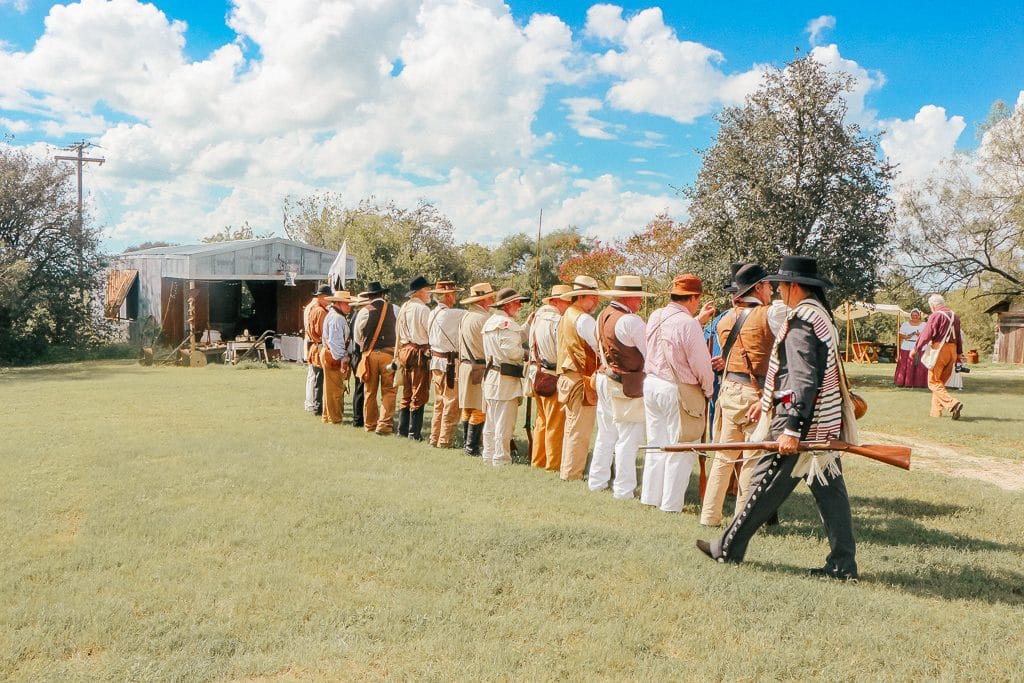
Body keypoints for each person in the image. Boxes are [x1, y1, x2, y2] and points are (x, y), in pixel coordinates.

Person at [697, 255, 860, 582]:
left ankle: (727, 548)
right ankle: (842, 566)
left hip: (802, 425)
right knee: (831, 496)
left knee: (762, 483)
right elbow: (795, 381)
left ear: (795, 286)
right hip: (820, 422)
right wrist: (770, 399)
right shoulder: (819, 315)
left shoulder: (801, 320)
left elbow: (801, 381)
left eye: (782, 284)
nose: (778, 290)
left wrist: (790, 428)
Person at [700, 263, 786, 527]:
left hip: (729, 392)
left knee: (724, 458)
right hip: (754, 395)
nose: (771, 289)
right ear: (757, 288)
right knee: (751, 459)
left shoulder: (725, 318)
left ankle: (709, 516)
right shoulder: (770, 314)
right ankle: (742, 520)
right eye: (768, 285)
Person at [642, 274, 716, 513]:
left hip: (651, 383)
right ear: (693, 298)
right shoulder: (688, 324)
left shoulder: (656, 315)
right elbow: (701, 365)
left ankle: (650, 497)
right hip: (676, 390)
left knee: (656, 444)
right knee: (681, 447)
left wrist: (697, 321)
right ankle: (671, 505)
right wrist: (708, 390)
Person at [589, 275, 656, 499]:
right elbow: (652, 355)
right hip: (624, 384)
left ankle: (597, 481)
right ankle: (623, 490)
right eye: (637, 297)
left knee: (606, 434)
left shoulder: (602, 315)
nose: (639, 301)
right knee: (629, 437)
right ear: (629, 297)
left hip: (605, 378)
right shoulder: (631, 321)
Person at [555, 275, 602, 482]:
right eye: (593, 297)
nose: (596, 302)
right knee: (580, 431)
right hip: (579, 379)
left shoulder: (567, 315)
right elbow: (599, 347)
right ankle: (572, 474)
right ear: (582, 296)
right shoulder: (583, 319)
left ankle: (568, 471)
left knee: (572, 428)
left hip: (567, 377)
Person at [481, 288, 530, 466]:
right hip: (505, 379)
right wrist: (526, 354)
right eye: (517, 303)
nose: (519, 306)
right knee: (504, 421)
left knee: (492, 421)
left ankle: (489, 454)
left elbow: (511, 338)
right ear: (507, 305)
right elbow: (512, 351)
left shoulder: (492, 322)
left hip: (492, 377)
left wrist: (526, 326)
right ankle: (501, 459)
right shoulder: (506, 324)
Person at [527, 284, 571, 472]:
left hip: (536, 374)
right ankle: (553, 465)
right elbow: (559, 352)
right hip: (552, 375)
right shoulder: (557, 321)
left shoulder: (537, 318)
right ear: (556, 301)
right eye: (567, 301)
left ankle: (538, 460)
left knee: (542, 421)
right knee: (555, 423)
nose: (569, 306)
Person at [353, 281, 398, 435]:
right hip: (388, 355)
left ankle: (370, 424)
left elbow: (357, 337)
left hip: (369, 355)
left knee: (369, 391)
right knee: (389, 391)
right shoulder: (394, 309)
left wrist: (367, 348)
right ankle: (384, 425)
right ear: (382, 294)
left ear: (369, 296)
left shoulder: (364, 311)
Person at [911, 294, 964, 419]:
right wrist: (959, 354)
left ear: (933, 305)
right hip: (953, 350)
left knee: (933, 382)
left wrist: (916, 348)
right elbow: (958, 337)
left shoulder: (936, 315)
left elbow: (926, 334)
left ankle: (952, 403)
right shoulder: (955, 316)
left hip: (940, 350)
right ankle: (936, 413)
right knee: (940, 384)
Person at [427, 280, 466, 448]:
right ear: (448, 295)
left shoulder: (432, 313)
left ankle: (434, 437)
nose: (456, 296)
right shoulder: (452, 314)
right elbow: (472, 316)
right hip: (449, 363)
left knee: (440, 402)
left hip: (436, 362)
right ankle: (445, 440)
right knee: (451, 402)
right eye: (454, 293)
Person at [459, 283, 496, 456]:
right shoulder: (483, 319)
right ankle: (471, 447)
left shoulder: (466, 316)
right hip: (479, 367)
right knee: (479, 409)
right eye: (491, 297)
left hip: (466, 365)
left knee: (467, 407)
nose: (493, 300)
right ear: (484, 300)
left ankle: (467, 443)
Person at [395, 275, 432, 441]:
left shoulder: (404, 307)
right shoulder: (423, 309)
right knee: (419, 392)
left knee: (407, 391)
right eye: (427, 290)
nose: (429, 293)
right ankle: (413, 433)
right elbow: (430, 332)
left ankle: (403, 430)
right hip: (418, 353)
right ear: (419, 292)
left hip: (405, 351)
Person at [320, 290, 358, 424]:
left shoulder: (334, 315)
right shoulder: (337, 318)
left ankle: (328, 416)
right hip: (334, 356)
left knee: (330, 389)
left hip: (330, 354)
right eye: (346, 303)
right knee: (336, 390)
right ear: (338, 303)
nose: (349, 306)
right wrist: (343, 359)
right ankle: (335, 418)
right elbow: (336, 342)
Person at [303, 284, 332, 416]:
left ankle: (316, 405)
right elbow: (322, 332)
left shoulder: (315, 309)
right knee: (319, 379)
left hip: (315, 345)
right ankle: (318, 407)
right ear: (322, 297)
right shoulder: (320, 311)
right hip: (320, 346)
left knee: (316, 378)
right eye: (328, 297)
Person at [894, 308, 928, 388]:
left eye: (916, 315)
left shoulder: (924, 325)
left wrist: (920, 335)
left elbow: (927, 335)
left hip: (920, 346)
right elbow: (899, 334)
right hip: (907, 345)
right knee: (905, 364)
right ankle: (904, 382)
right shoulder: (905, 324)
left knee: (919, 365)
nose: (914, 317)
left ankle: (919, 383)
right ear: (910, 316)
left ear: (919, 316)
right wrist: (905, 336)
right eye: (913, 315)